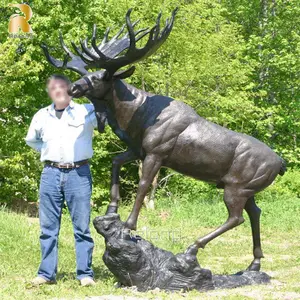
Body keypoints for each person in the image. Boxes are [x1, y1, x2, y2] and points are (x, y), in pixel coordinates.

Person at [25, 74, 98, 286]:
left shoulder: (86, 111)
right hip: (50, 173)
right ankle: (46, 274)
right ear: (50, 92)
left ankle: (85, 274)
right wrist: (47, 151)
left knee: (82, 227)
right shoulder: (41, 115)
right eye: (53, 88)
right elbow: (32, 140)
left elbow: (108, 112)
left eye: (62, 87)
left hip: (79, 173)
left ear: (69, 89)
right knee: (48, 228)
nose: (58, 91)